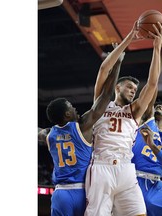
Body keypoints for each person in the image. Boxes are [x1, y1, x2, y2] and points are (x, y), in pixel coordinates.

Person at [84, 20, 162, 216]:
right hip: (101, 168)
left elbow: (153, 84)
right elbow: (104, 70)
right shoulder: (101, 104)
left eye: (135, 90)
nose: (133, 91)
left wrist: (157, 46)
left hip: (126, 170)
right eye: (129, 87)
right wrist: (129, 37)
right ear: (117, 87)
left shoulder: (135, 110)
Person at [38, 51, 124, 216]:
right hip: (84, 193)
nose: (75, 107)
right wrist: (118, 63)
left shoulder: (49, 135)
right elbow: (106, 95)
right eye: (71, 106)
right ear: (67, 115)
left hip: (60, 195)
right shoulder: (82, 126)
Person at [131, 29, 162, 216]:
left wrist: (153, 146)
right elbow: (153, 83)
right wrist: (161, 50)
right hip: (132, 183)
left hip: (155, 187)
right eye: (157, 105)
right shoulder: (147, 120)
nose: (158, 106)